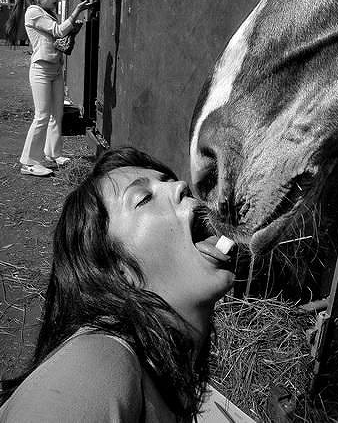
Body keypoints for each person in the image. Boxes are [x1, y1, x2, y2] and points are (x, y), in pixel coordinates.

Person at [0, 146, 235, 422]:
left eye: (168, 181)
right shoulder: (95, 370)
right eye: (144, 198)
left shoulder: (161, 369)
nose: (181, 185)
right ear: (115, 270)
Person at [19, 0, 95, 177]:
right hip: (41, 70)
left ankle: (53, 153)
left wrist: (73, 31)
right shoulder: (33, 11)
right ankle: (29, 161)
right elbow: (59, 31)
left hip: (55, 68)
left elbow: (58, 40)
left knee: (56, 114)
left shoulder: (46, 13)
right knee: (42, 115)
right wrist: (77, 10)